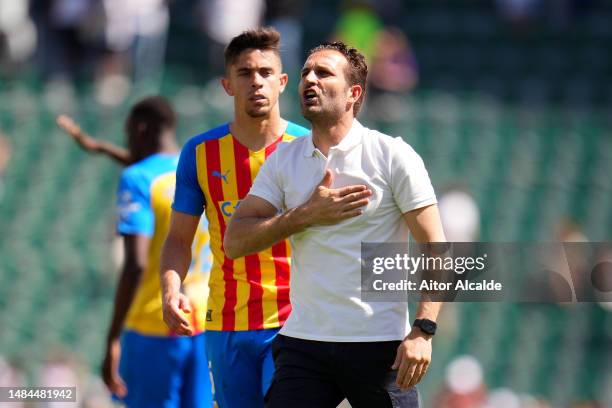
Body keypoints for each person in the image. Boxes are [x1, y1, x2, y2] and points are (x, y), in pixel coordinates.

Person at [224, 41, 446, 407]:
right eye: (305, 73)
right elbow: (235, 241)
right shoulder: (284, 159)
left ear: (352, 94)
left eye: (323, 73)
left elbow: (437, 247)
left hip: (380, 347)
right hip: (303, 344)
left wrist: (423, 330)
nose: (309, 79)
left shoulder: (393, 155)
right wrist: (305, 215)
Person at [160, 28, 309, 408]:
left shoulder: (309, 149)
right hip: (226, 322)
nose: (255, 81)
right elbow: (178, 239)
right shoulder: (200, 153)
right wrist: (170, 289)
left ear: (282, 82)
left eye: (264, 72)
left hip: (295, 322)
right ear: (228, 85)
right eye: (244, 73)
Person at [57, 97, 214, 408]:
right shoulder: (196, 171)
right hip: (201, 323)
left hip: (153, 322)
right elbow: (149, 169)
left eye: (128, 133)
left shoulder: (137, 179)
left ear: (141, 129)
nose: (127, 141)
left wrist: (112, 337)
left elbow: (136, 264)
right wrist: (100, 148)